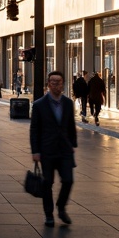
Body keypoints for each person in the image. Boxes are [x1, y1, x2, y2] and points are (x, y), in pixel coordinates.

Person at [29, 71, 78, 227]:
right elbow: (34, 129)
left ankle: (61, 207)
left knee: (68, 180)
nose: (57, 85)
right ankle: (49, 214)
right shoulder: (39, 105)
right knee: (47, 183)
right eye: (53, 82)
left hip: (64, 150)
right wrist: (35, 151)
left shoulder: (68, 103)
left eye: (59, 82)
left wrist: (72, 144)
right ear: (48, 84)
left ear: (63, 83)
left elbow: (71, 125)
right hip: (47, 150)